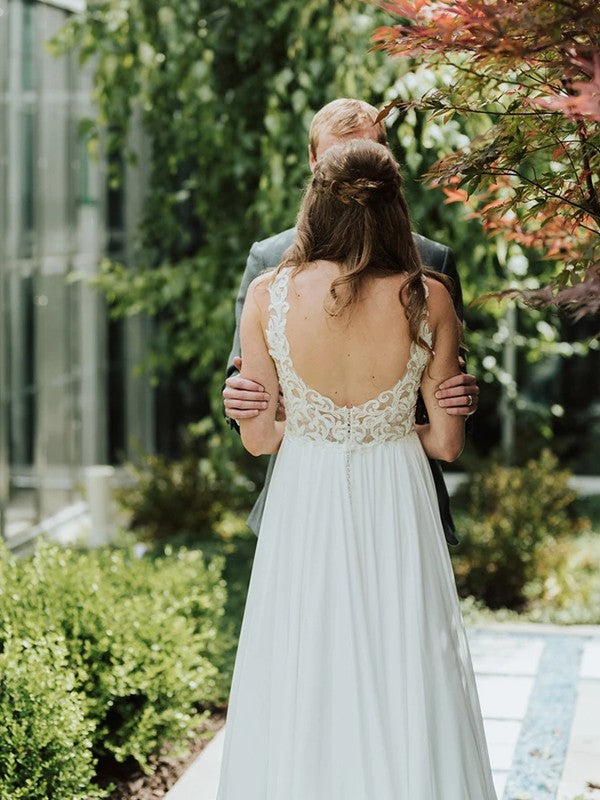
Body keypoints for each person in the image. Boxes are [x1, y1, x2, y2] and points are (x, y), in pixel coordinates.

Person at [215, 139, 497, 799]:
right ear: (395, 206)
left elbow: (259, 439)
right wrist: (389, 430)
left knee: (305, 657)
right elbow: (447, 444)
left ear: (315, 202)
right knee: (404, 655)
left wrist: (317, 431)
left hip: (304, 495)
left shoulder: (268, 295)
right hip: (397, 493)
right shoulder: (428, 297)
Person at [223, 98, 479, 546]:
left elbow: (447, 385)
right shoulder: (269, 261)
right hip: (305, 491)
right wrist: (239, 397)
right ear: (314, 163)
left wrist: (463, 396)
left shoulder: (433, 263)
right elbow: (243, 378)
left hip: (403, 493)